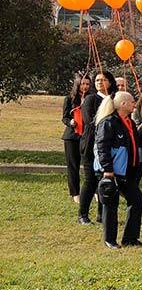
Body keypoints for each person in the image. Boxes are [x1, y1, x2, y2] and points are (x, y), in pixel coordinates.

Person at [93, 90, 142, 249]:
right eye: (131, 102)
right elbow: (102, 147)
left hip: (128, 171)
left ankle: (130, 238)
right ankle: (110, 240)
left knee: (137, 200)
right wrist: (107, 170)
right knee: (110, 204)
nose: (134, 104)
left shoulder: (130, 122)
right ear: (123, 104)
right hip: (112, 171)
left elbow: (136, 143)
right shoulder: (108, 122)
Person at [79, 70, 115, 225]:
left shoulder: (114, 99)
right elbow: (89, 121)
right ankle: (83, 215)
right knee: (90, 181)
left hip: (108, 146)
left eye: (104, 79)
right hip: (91, 144)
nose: (100, 82)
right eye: (97, 80)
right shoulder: (90, 99)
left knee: (104, 179)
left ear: (110, 82)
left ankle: (102, 214)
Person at [62, 72, 91, 205]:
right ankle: (75, 193)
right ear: (78, 84)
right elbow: (65, 117)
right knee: (73, 166)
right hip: (72, 136)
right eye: (83, 84)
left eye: (87, 84)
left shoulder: (92, 98)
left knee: (89, 165)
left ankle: (92, 191)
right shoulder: (69, 98)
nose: (85, 86)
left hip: (87, 136)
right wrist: (71, 122)